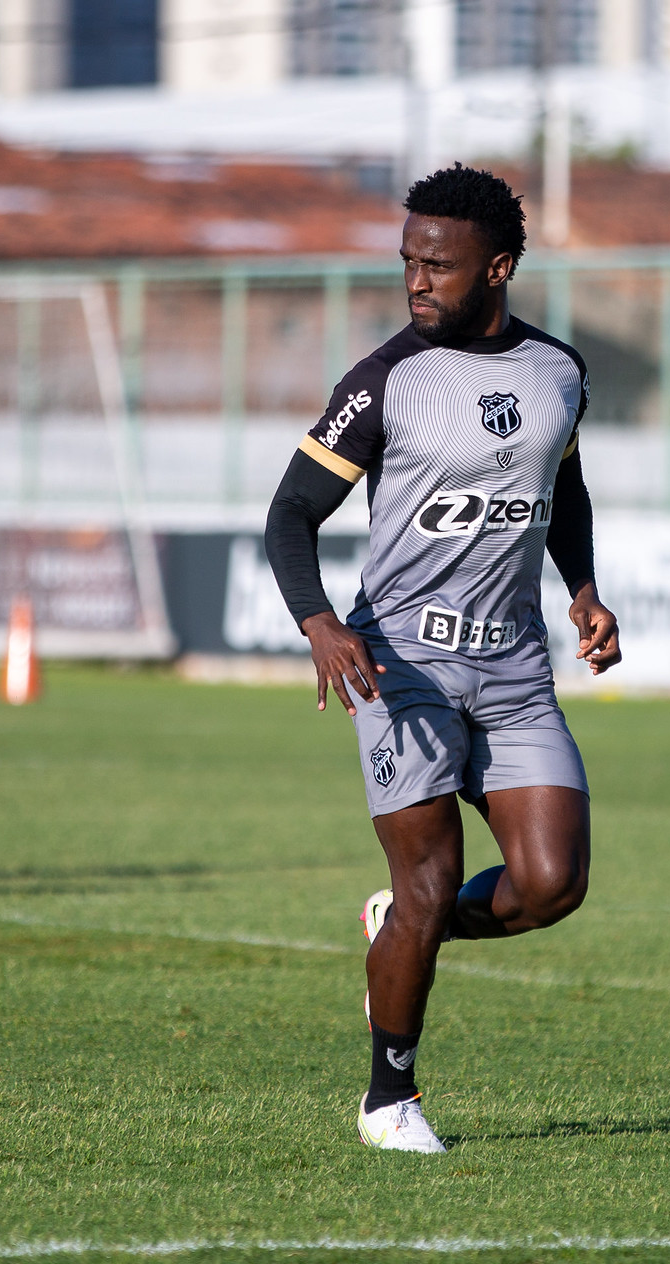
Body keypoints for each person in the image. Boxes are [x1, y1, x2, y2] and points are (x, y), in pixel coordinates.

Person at [264, 164, 621, 1154]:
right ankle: (390, 1100)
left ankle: (402, 929)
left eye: (439, 265)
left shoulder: (559, 372)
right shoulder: (385, 382)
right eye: (407, 261)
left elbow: (563, 489)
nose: (416, 281)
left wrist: (583, 589)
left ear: (497, 268)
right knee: (430, 880)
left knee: (552, 882)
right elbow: (290, 513)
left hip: (513, 671)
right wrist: (318, 621)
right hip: (400, 667)